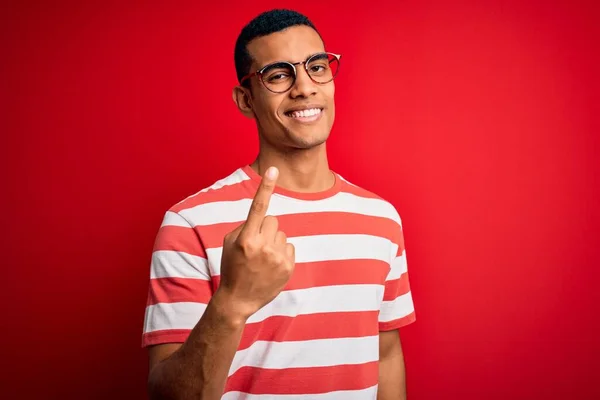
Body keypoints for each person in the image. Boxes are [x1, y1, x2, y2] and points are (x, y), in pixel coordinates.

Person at [143, 8, 416, 400]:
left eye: (317, 67)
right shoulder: (189, 223)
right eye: (278, 75)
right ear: (245, 99)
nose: (305, 87)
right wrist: (232, 303)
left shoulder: (381, 220)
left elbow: (386, 357)